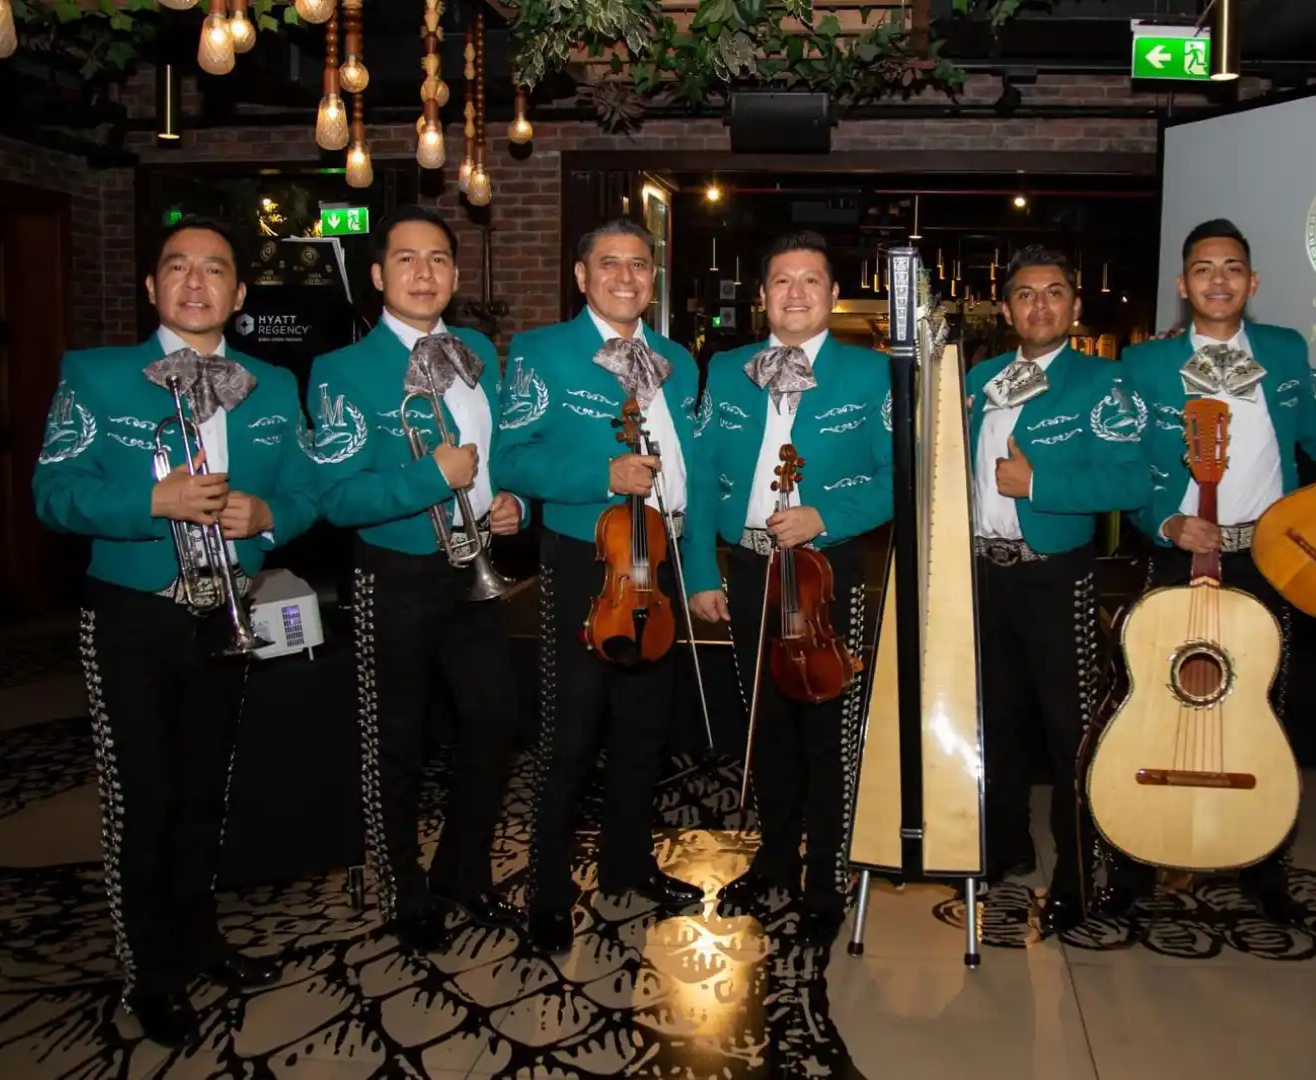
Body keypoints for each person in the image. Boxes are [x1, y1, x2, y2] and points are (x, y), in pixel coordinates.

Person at [32, 216, 317, 1044]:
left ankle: (198, 938)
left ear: (239, 293)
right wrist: (148, 502)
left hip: (226, 612)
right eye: (177, 268)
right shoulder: (94, 376)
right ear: (152, 287)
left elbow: (303, 493)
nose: (196, 283)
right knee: (143, 798)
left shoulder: (273, 384)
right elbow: (52, 494)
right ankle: (148, 973)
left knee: (203, 793)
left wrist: (267, 515)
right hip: (133, 613)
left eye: (215, 270)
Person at [305, 206, 527, 953]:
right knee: (396, 741)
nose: (424, 273)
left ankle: (462, 870)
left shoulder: (476, 353)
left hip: (473, 568)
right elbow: (337, 498)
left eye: (437, 259)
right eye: (406, 260)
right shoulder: (341, 370)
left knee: (496, 720)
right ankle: (405, 891)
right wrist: (429, 477)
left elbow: (502, 455)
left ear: (456, 275)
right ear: (377, 277)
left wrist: (511, 502)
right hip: (395, 571)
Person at [1109, 218, 1316, 927]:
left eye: (1232, 267)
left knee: (1263, 706)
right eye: (1203, 268)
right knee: (1149, 703)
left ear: (1253, 282)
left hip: (1267, 560)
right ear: (1182, 286)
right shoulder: (1144, 364)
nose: (1217, 280)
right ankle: (1131, 863)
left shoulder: (1287, 353)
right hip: (1179, 551)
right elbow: (1128, 464)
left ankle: (1266, 865)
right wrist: (1165, 521)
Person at [494, 216, 708, 955]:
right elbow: (511, 458)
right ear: (581, 276)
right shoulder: (542, 353)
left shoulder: (677, 357)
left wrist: (700, 570)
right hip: (589, 564)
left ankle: (628, 865)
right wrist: (599, 476)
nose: (626, 276)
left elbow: (694, 470)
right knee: (571, 736)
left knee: (645, 733)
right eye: (609, 263)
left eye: (639, 265)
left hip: (662, 563)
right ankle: (549, 892)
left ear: (654, 279)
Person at [681, 230, 894, 947]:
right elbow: (704, 473)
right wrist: (704, 572)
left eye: (811, 281)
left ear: (834, 297)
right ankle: (774, 856)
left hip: (828, 572)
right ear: (762, 295)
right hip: (743, 571)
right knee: (764, 722)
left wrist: (827, 514)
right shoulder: (729, 367)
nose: (795, 293)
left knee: (829, 730)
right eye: (781, 281)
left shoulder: (872, 374)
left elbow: (901, 477)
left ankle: (827, 878)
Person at [965, 245, 1151, 938]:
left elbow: (1134, 483)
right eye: (1024, 294)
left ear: (1074, 305)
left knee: (1070, 731)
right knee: (998, 725)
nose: (1038, 306)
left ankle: (1077, 874)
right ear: (1006, 306)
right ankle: (1003, 849)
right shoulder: (980, 378)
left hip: (1055, 575)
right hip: (984, 575)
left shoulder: (1104, 383)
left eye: (1053, 293)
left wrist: (1037, 485)